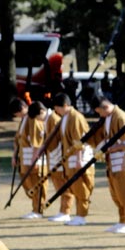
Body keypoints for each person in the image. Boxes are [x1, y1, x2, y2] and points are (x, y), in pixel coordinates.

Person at [95, 96, 125, 234]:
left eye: (99, 112)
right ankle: (122, 220)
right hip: (114, 162)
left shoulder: (121, 117)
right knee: (117, 194)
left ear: (104, 107)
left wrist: (124, 160)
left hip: (124, 161)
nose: (99, 115)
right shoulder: (109, 118)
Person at [47, 93, 94, 226]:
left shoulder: (75, 117)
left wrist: (79, 159)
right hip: (71, 157)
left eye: (58, 108)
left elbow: (80, 140)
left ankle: (81, 215)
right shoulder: (66, 117)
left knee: (81, 187)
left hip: (79, 157)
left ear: (65, 106)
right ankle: (78, 214)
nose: (56, 111)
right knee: (75, 187)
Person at [12, 99, 53, 219]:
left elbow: (38, 141)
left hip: (34, 157)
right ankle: (35, 207)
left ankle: (38, 209)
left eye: (17, 113)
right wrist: (15, 155)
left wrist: (36, 159)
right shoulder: (24, 120)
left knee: (38, 182)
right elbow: (18, 140)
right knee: (28, 183)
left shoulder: (33, 119)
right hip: (24, 156)